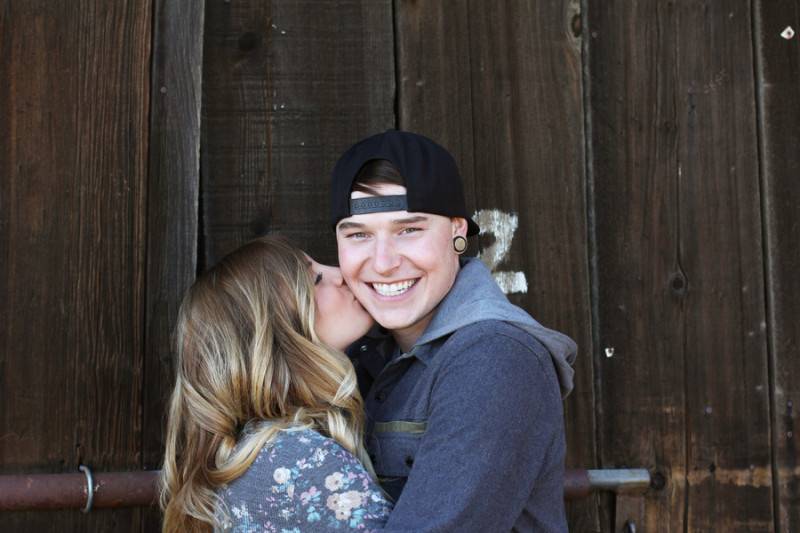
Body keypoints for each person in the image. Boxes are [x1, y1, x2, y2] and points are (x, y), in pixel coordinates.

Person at [330, 130, 578, 532]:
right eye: (358, 235)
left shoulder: (496, 359)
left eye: (409, 230)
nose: (384, 262)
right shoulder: (361, 351)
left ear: (457, 232)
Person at [159, 236, 392, 532]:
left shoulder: (250, 455)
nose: (343, 274)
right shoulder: (306, 461)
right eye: (317, 279)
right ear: (278, 337)